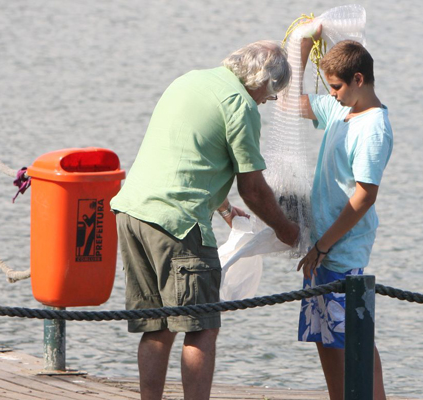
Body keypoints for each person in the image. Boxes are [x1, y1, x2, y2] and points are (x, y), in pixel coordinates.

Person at [110, 40, 300, 400]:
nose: (268, 100)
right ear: (261, 79)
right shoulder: (240, 104)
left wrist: (224, 209)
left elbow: (189, 154)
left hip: (133, 213)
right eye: (271, 93)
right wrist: (286, 230)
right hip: (177, 226)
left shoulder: (191, 81)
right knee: (201, 327)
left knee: (158, 326)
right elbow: (255, 189)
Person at [296, 26, 393, 400]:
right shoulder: (341, 110)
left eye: (335, 87)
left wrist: (322, 245)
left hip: (341, 247)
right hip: (320, 246)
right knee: (326, 337)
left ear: (358, 79)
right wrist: (303, 45)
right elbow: (288, 100)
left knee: (354, 339)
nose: (331, 96)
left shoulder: (373, 128)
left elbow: (364, 197)